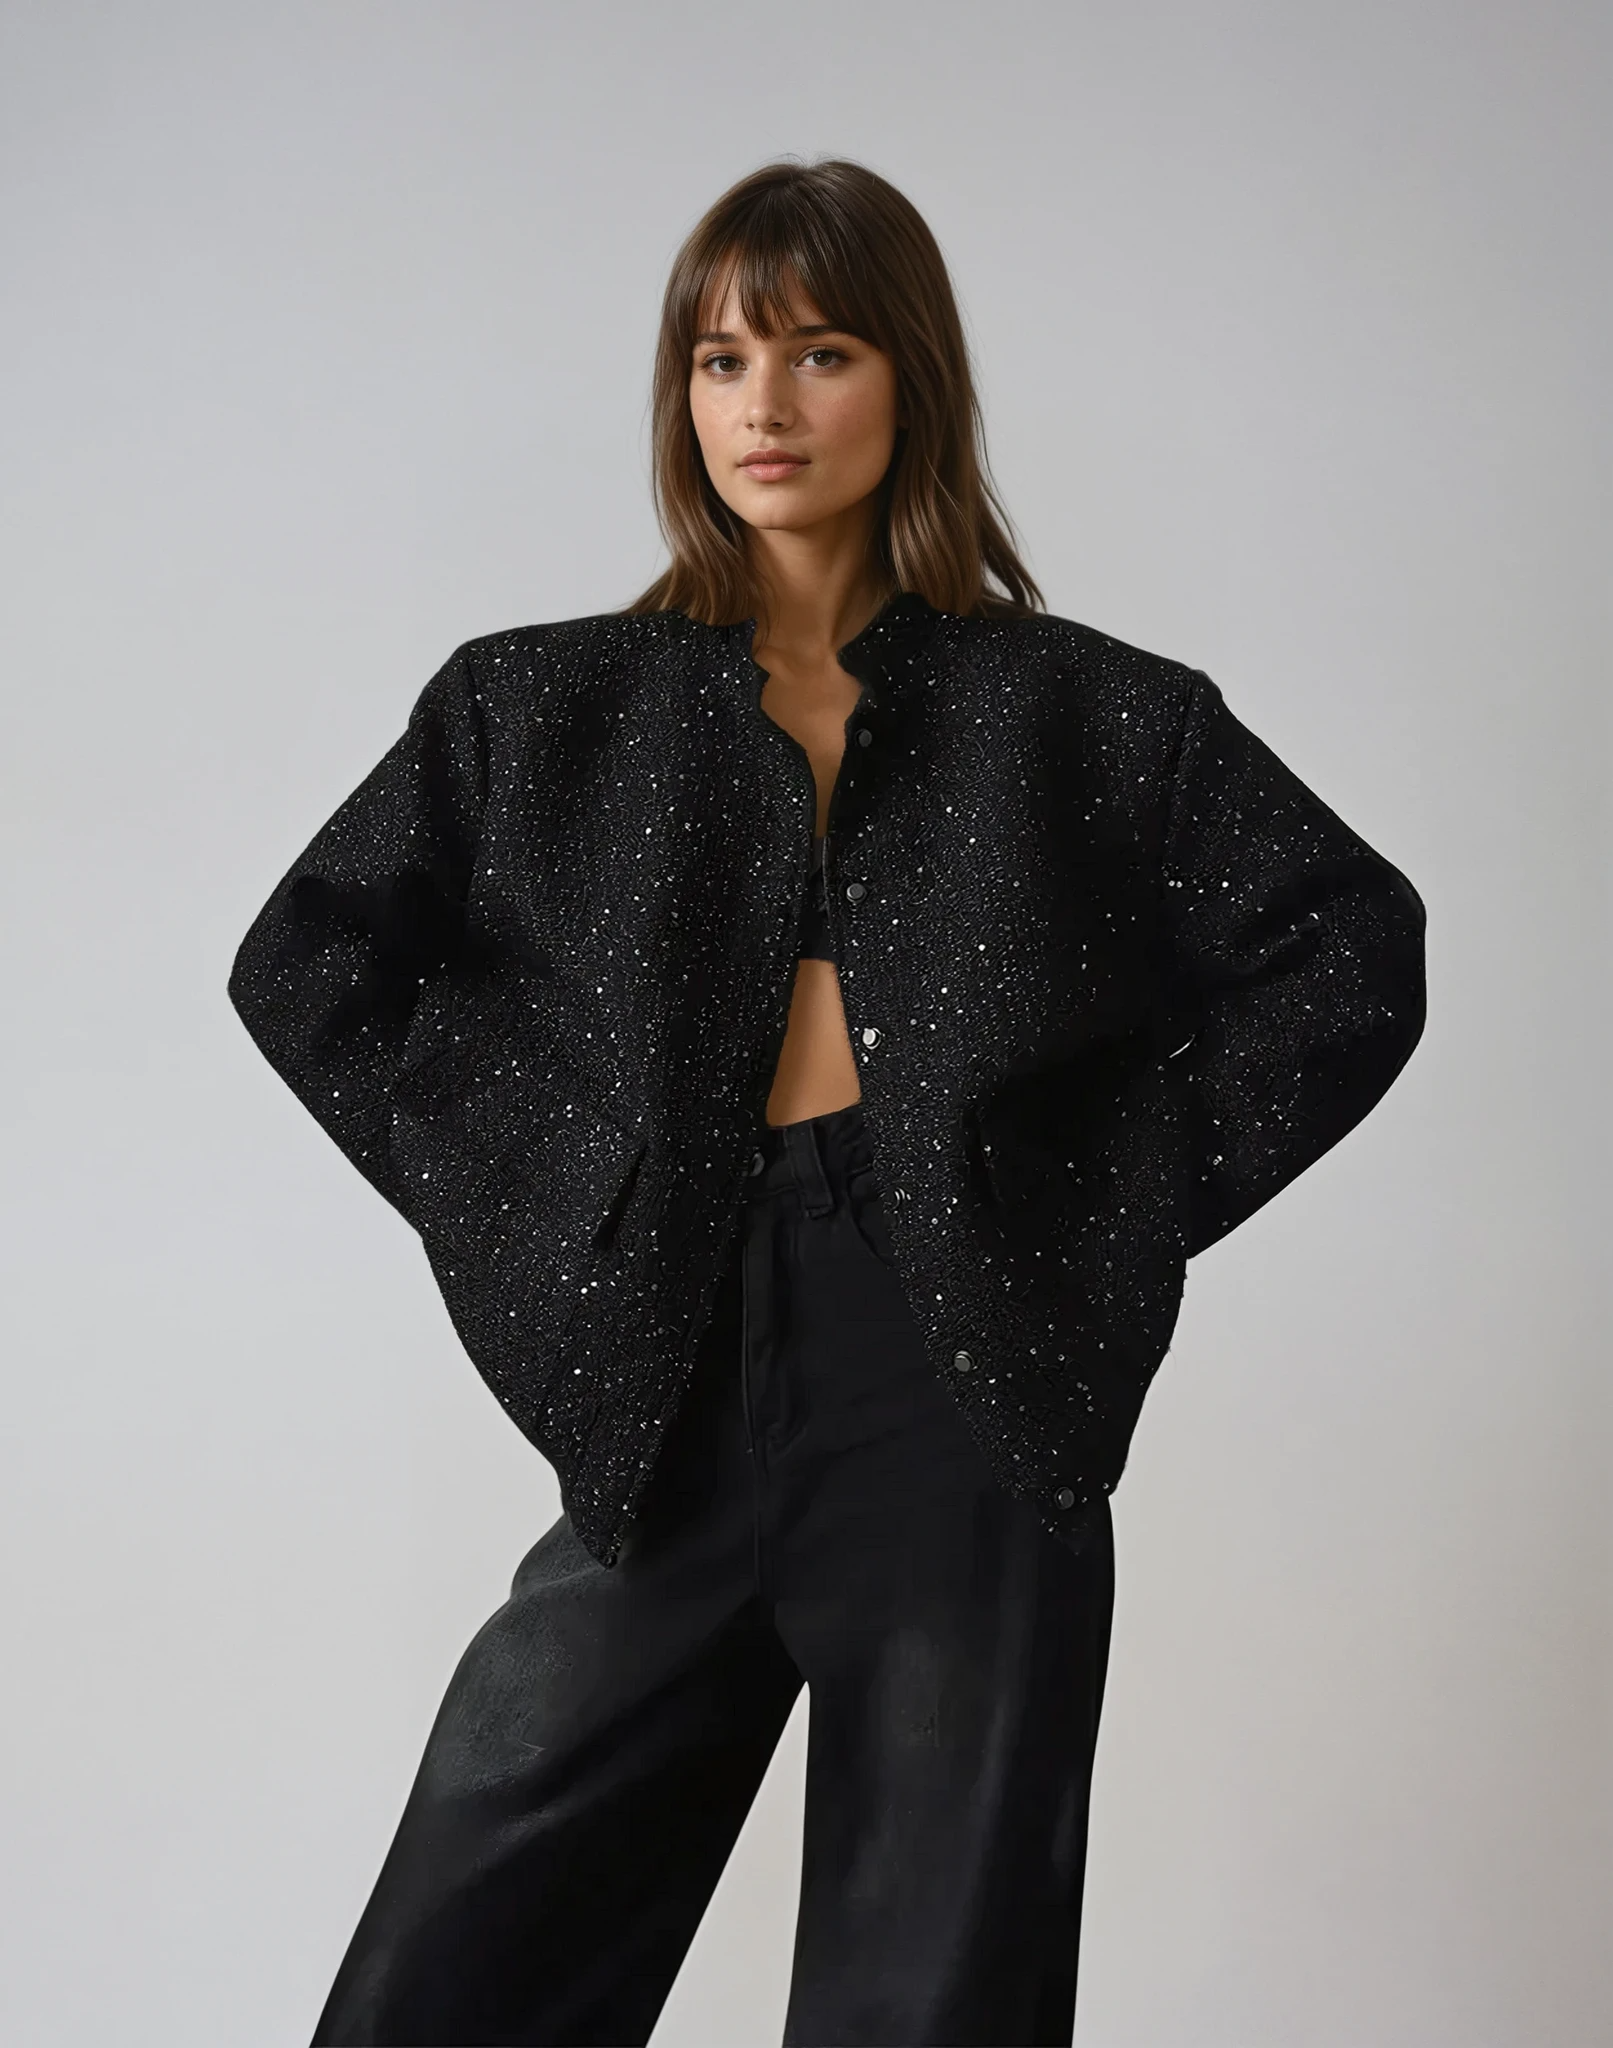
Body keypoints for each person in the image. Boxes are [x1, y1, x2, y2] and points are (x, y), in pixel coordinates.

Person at [227, 156, 1427, 2048]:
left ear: (910, 381)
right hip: (667, 1367)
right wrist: (568, 1192)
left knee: (931, 2003)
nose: (762, 406)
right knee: (444, 1983)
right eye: (719, 360)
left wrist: (1092, 1201)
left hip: (962, 1378)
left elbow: (1349, 951)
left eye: (819, 352)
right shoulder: (537, 706)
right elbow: (309, 962)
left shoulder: (1087, 711)